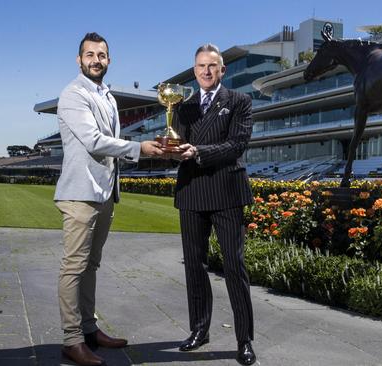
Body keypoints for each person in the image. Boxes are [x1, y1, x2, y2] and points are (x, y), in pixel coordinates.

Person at [54, 32, 163, 366]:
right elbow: (93, 141)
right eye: (90, 55)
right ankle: (72, 340)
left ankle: (89, 329)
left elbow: (108, 141)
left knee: (92, 265)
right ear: (79, 59)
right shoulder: (73, 94)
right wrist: (139, 148)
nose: (96, 60)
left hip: (104, 194)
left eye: (101, 55)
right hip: (80, 193)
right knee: (74, 267)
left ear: (109, 60)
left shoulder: (108, 96)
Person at [174, 43, 256, 365]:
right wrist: (170, 149)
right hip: (192, 190)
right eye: (200, 67)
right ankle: (199, 329)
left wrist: (198, 152)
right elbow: (176, 143)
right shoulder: (183, 106)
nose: (206, 72)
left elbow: (237, 145)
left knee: (234, 266)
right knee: (194, 266)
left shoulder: (239, 101)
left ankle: (245, 340)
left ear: (223, 70)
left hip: (226, 191)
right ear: (194, 72)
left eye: (212, 66)